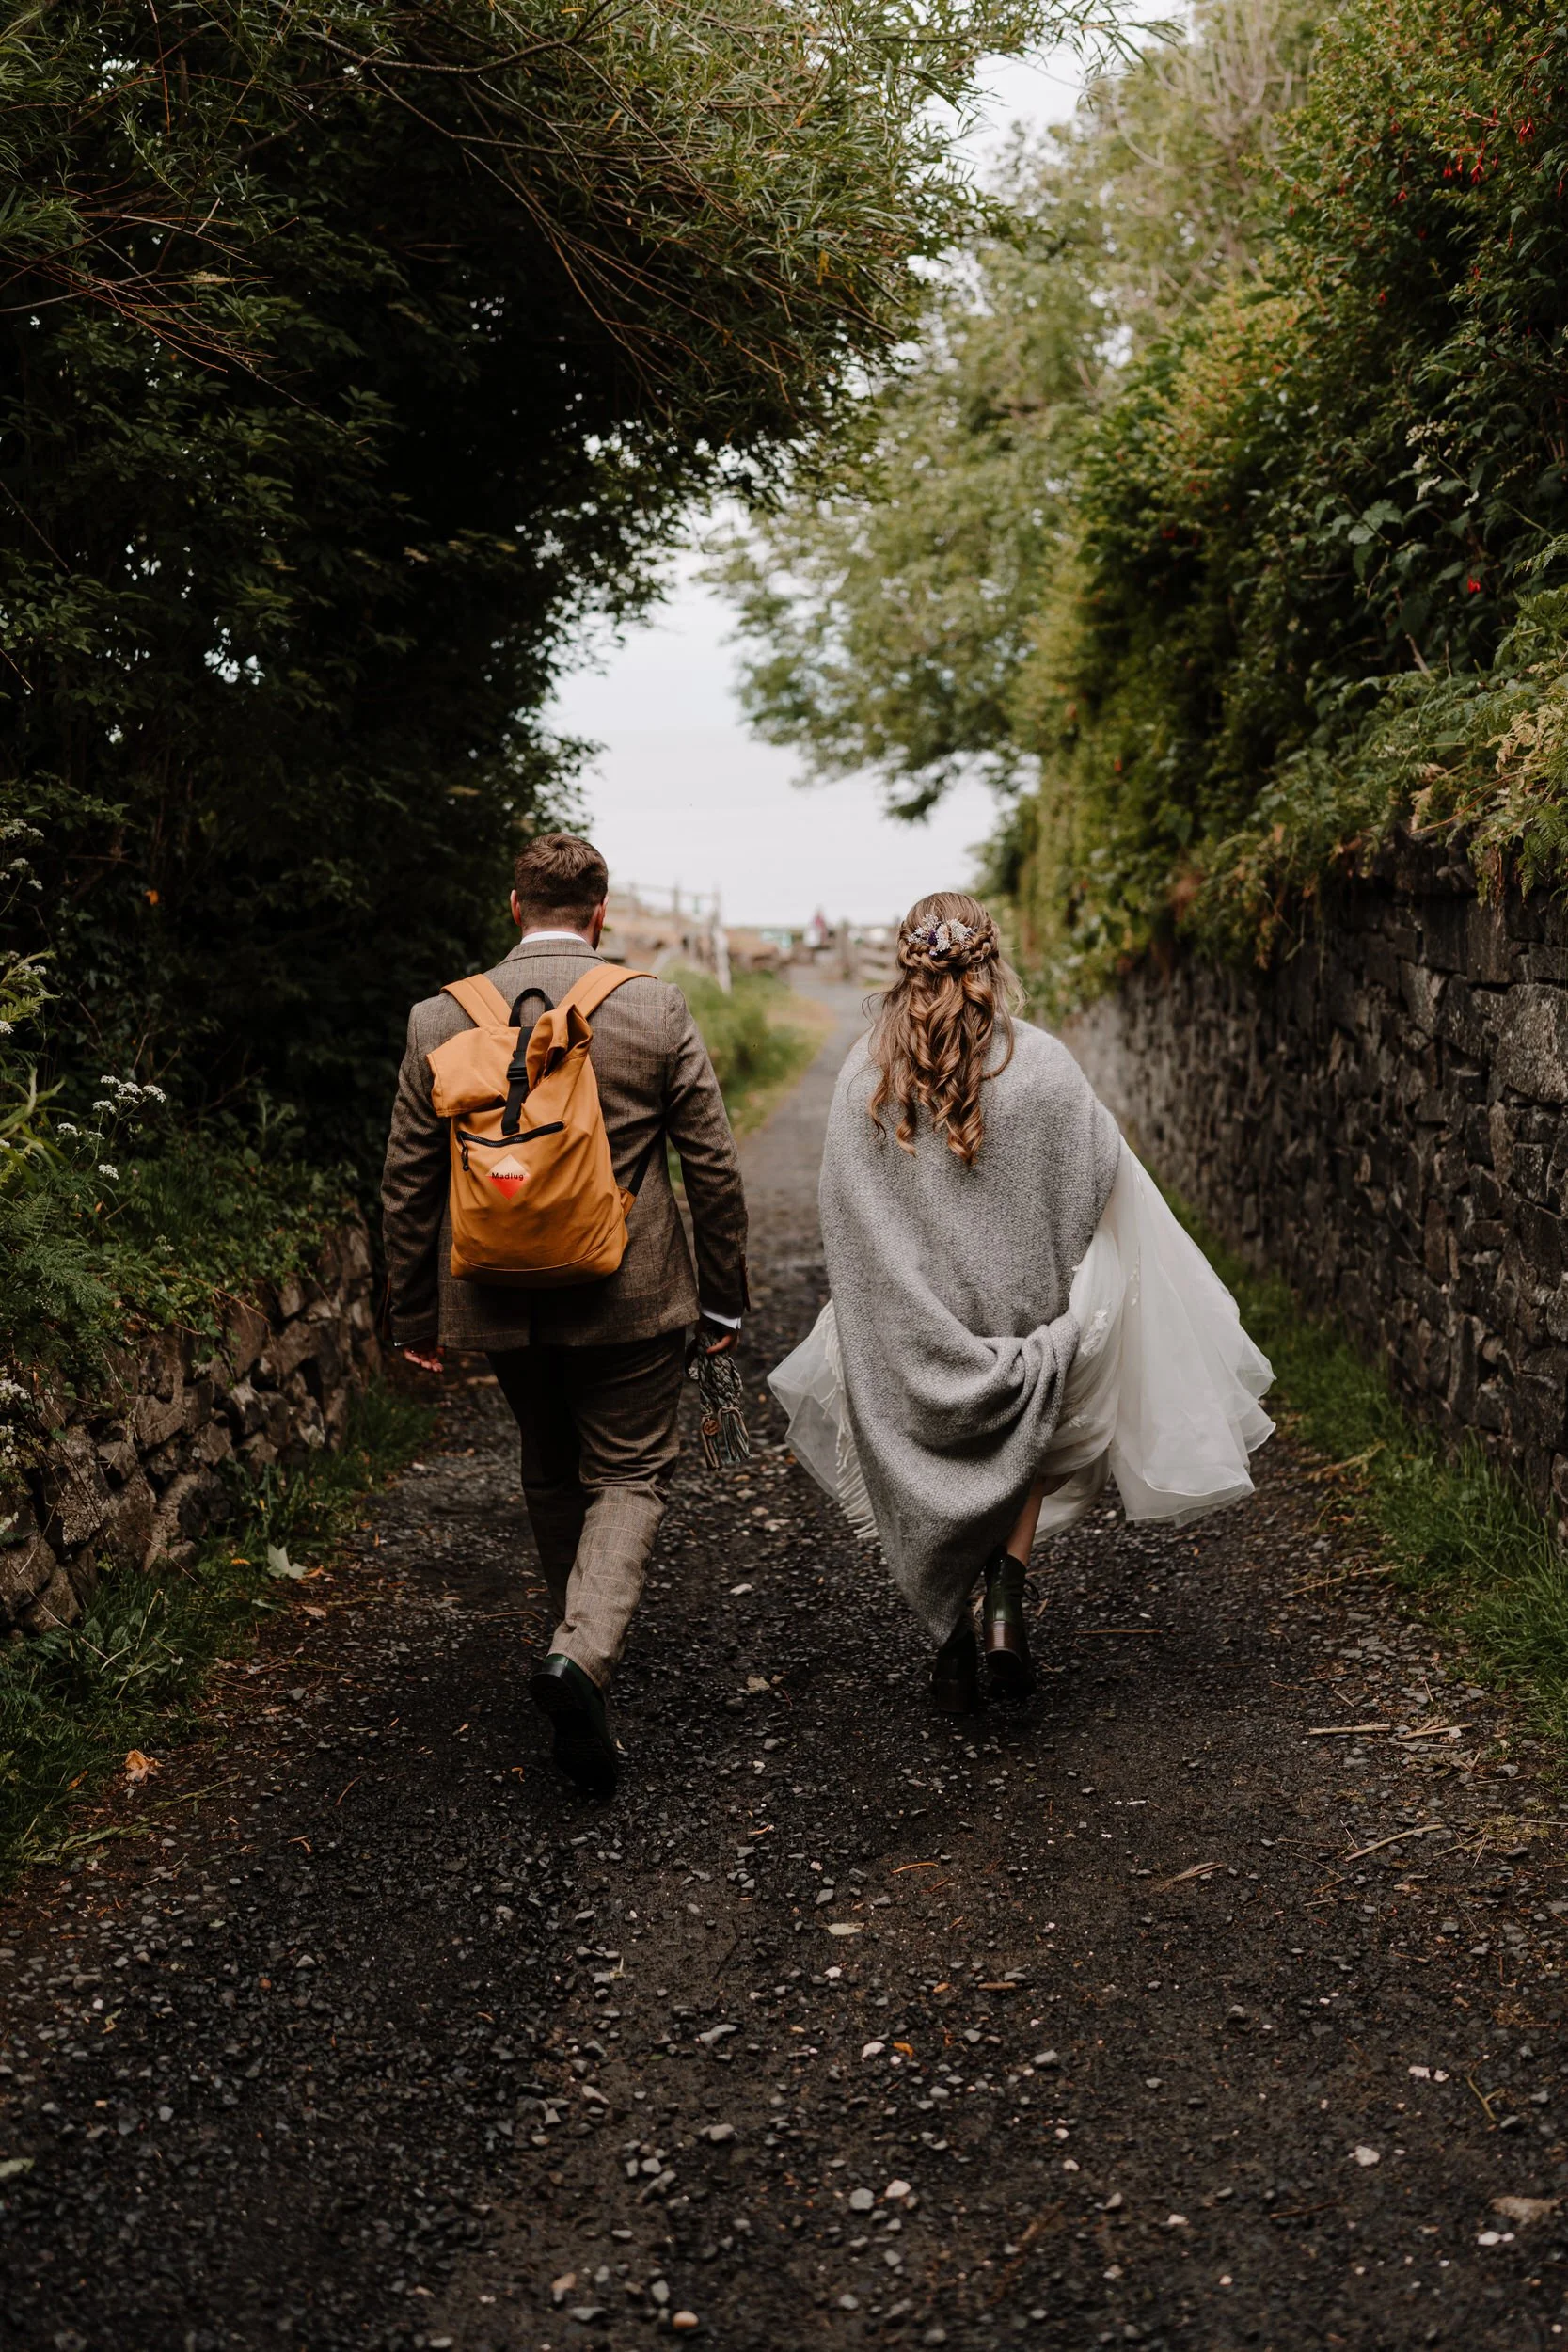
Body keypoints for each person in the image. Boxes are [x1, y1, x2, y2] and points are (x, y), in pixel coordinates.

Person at [770, 890, 1273, 1714]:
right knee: (1031, 1408)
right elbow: (1098, 1182)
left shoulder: (864, 1074)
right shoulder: (1042, 1066)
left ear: (907, 961)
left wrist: (890, 1305)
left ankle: (952, 1640)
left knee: (915, 1444)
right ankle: (1005, 1593)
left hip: (909, 1328)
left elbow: (843, 1215)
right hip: (1020, 1319)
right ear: (989, 960)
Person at [382, 834, 749, 1792]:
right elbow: (710, 1164)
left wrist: (413, 1315)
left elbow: (406, 1185)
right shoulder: (651, 1006)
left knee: (549, 1469)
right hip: (630, 1297)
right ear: (600, 908)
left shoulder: (437, 1018)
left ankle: (572, 1645)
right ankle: (579, 1659)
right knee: (629, 1474)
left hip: (497, 1297)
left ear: (513, 906)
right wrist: (725, 1299)